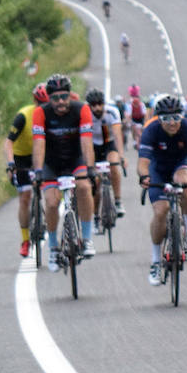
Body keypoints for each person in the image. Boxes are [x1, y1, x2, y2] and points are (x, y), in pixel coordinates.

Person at [138, 93, 187, 283]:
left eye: (176, 117)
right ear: (158, 119)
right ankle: (155, 261)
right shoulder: (150, 130)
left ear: (182, 116)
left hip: (181, 163)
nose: (171, 122)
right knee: (160, 212)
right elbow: (143, 163)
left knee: (182, 180)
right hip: (158, 168)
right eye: (166, 118)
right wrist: (144, 177)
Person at [30, 74, 96, 270]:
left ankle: (86, 238)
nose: (60, 102)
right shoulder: (41, 113)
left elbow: (86, 141)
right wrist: (39, 170)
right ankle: (53, 248)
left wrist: (91, 168)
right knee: (51, 202)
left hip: (75, 158)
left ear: (70, 96)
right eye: (56, 98)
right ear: (49, 99)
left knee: (84, 187)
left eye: (64, 97)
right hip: (51, 162)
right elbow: (39, 143)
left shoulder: (81, 109)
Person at [5, 83, 48, 257]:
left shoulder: (52, 115)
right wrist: (10, 164)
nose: (43, 108)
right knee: (25, 197)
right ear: (34, 101)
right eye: (40, 104)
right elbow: (8, 142)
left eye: (46, 104)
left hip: (42, 155)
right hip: (22, 158)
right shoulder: (23, 116)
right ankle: (25, 240)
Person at [84, 88, 126, 218]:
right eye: (93, 105)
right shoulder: (85, 114)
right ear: (89, 106)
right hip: (93, 146)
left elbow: (118, 135)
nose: (97, 108)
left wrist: (121, 156)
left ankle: (118, 201)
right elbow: (85, 139)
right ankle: (96, 215)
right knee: (95, 182)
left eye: (99, 104)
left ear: (104, 103)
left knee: (113, 164)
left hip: (109, 143)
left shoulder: (112, 112)